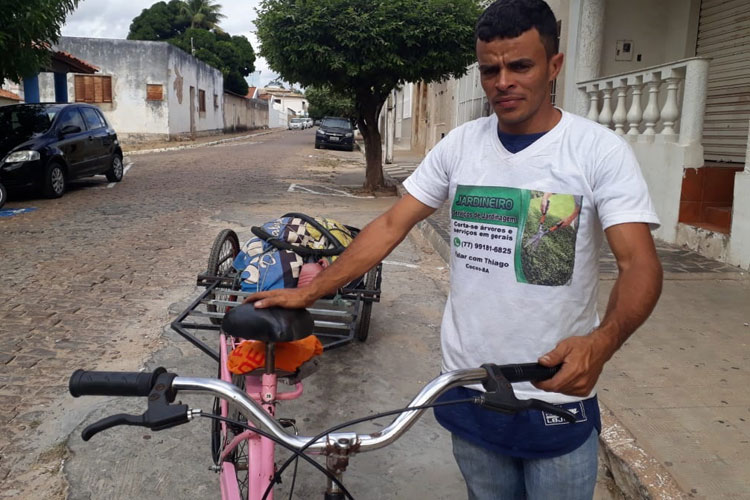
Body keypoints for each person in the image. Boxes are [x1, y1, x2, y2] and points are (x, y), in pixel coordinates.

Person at [246, 0, 663, 497]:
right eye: (490, 69)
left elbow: (639, 262)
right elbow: (389, 225)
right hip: (468, 387)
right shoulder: (460, 145)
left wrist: (603, 342)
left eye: (520, 65)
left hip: (555, 394)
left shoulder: (598, 151)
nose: (502, 81)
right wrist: (310, 293)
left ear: (554, 65)